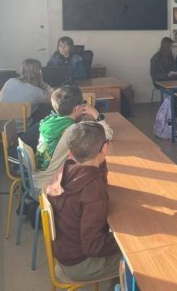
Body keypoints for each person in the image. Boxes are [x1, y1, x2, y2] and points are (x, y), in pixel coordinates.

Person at [46, 121, 121, 285]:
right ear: (105, 148)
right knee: (136, 257)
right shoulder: (93, 190)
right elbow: (93, 246)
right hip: (80, 264)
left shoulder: (66, 168)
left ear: (70, 153)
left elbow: (100, 179)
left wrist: (100, 161)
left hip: (65, 253)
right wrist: (122, 241)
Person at [34, 85, 101, 171]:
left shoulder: (50, 120)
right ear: (77, 108)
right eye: (83, 103)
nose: (84, 105)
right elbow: (105, 137)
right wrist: (96, 114)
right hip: (52, 176)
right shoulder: (72, 129)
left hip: (39, 170)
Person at [0, 58, 53, 125]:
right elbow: (56, 98)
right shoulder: (36, 92)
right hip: (21, 129)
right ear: (40, 72)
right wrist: (43, 83)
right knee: (47, 115)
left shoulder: (10, 81)